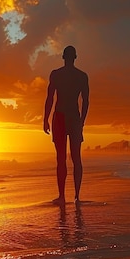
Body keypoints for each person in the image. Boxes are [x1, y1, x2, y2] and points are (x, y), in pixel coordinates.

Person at [43, 45, 89, 203]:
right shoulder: (82, 76)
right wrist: (81, 121)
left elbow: (50, 99)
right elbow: (86, 102)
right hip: (73, 118)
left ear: (63, 57)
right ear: (75, 57)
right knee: (76, 158)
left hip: (61, 117)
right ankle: (76, 195)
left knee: (61, 158)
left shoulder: (56, 75)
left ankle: (62, 196)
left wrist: (45, 120)